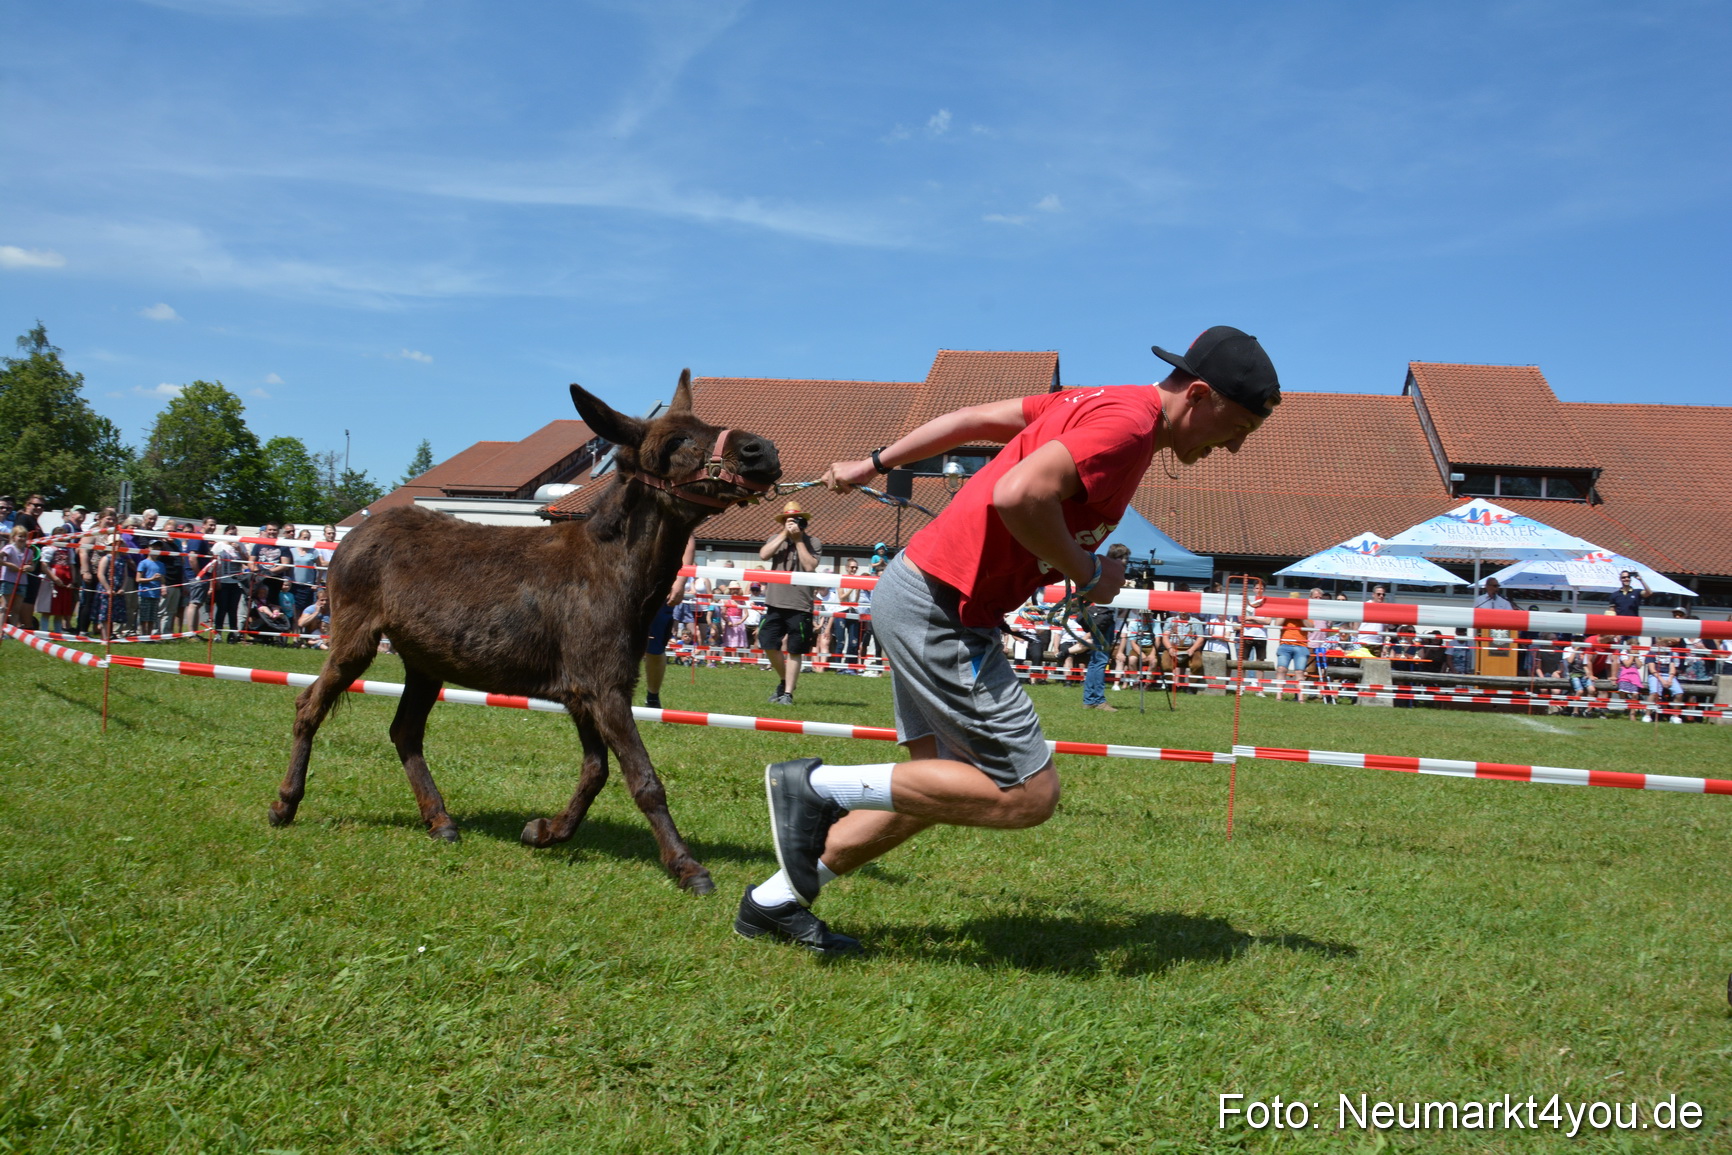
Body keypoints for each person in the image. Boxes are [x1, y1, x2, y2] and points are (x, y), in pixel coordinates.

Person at [737, 324, 1279, 952]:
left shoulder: (1099, 400)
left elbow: (968, 419)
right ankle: (814, 787)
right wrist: (1088, 573)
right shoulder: (1126, 431)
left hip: (922, 591)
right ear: (1202, 395)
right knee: (1027, 793)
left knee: (941, 786)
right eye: (1237, 429)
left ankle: (774, 903)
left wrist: (874, 463)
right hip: (941, 607)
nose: (1233, 449)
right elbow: (1017, 493)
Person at [757, 501, 821, 706]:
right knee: (767, 642)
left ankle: (787, 694)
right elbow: (764, 555)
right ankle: (785, 682)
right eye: (788, 520)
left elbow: (810, 566)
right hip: (775, 602)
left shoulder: (814, 542)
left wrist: (799, 540)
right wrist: (784, 535)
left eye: (796, 520)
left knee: (795, 649)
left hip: (800, 604)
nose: (792, 523)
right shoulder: (775, 539)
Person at [642, 536, 695, 709]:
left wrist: (680, 582)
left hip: (659, 590)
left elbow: (688, 541)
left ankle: (652, 697)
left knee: (654, 650)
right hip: (626, 585)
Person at [1160, 609, 1204, 694]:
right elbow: (1165, 636)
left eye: (1185, 611)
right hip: (1173, 647)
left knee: (1197, 665)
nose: (1183, 613)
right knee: (1165, 665)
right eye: (1181, 611)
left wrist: (1192, 649)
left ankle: (1191, 687)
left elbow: (1200, 638)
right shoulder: (1170, 620)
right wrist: (1169, 648)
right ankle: (1170, 684)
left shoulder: (1196, 622)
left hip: (1191, 648)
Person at [1644, 643, 1686, 724]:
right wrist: (1662, 680)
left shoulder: (1670, 653)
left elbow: (1672, 668)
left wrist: (1670, 678)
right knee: (1654, 693)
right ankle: (1647, 715)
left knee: (1679, 693)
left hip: (1668, 675)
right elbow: (1652, 670)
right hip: (1655, 675)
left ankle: (1675, 716)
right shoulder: (1651, 653)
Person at [1354, 586, 1388, 656]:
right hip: (1363, 642)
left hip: (1377, 644)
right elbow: (1356, 625)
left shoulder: (1385, 609)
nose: (1381, 596)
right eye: (1379, 594)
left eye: (1383, 594)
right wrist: (1355, 642)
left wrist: (1384, 645)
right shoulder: (1366, 606)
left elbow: (1385, 629)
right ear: (1373, 594)